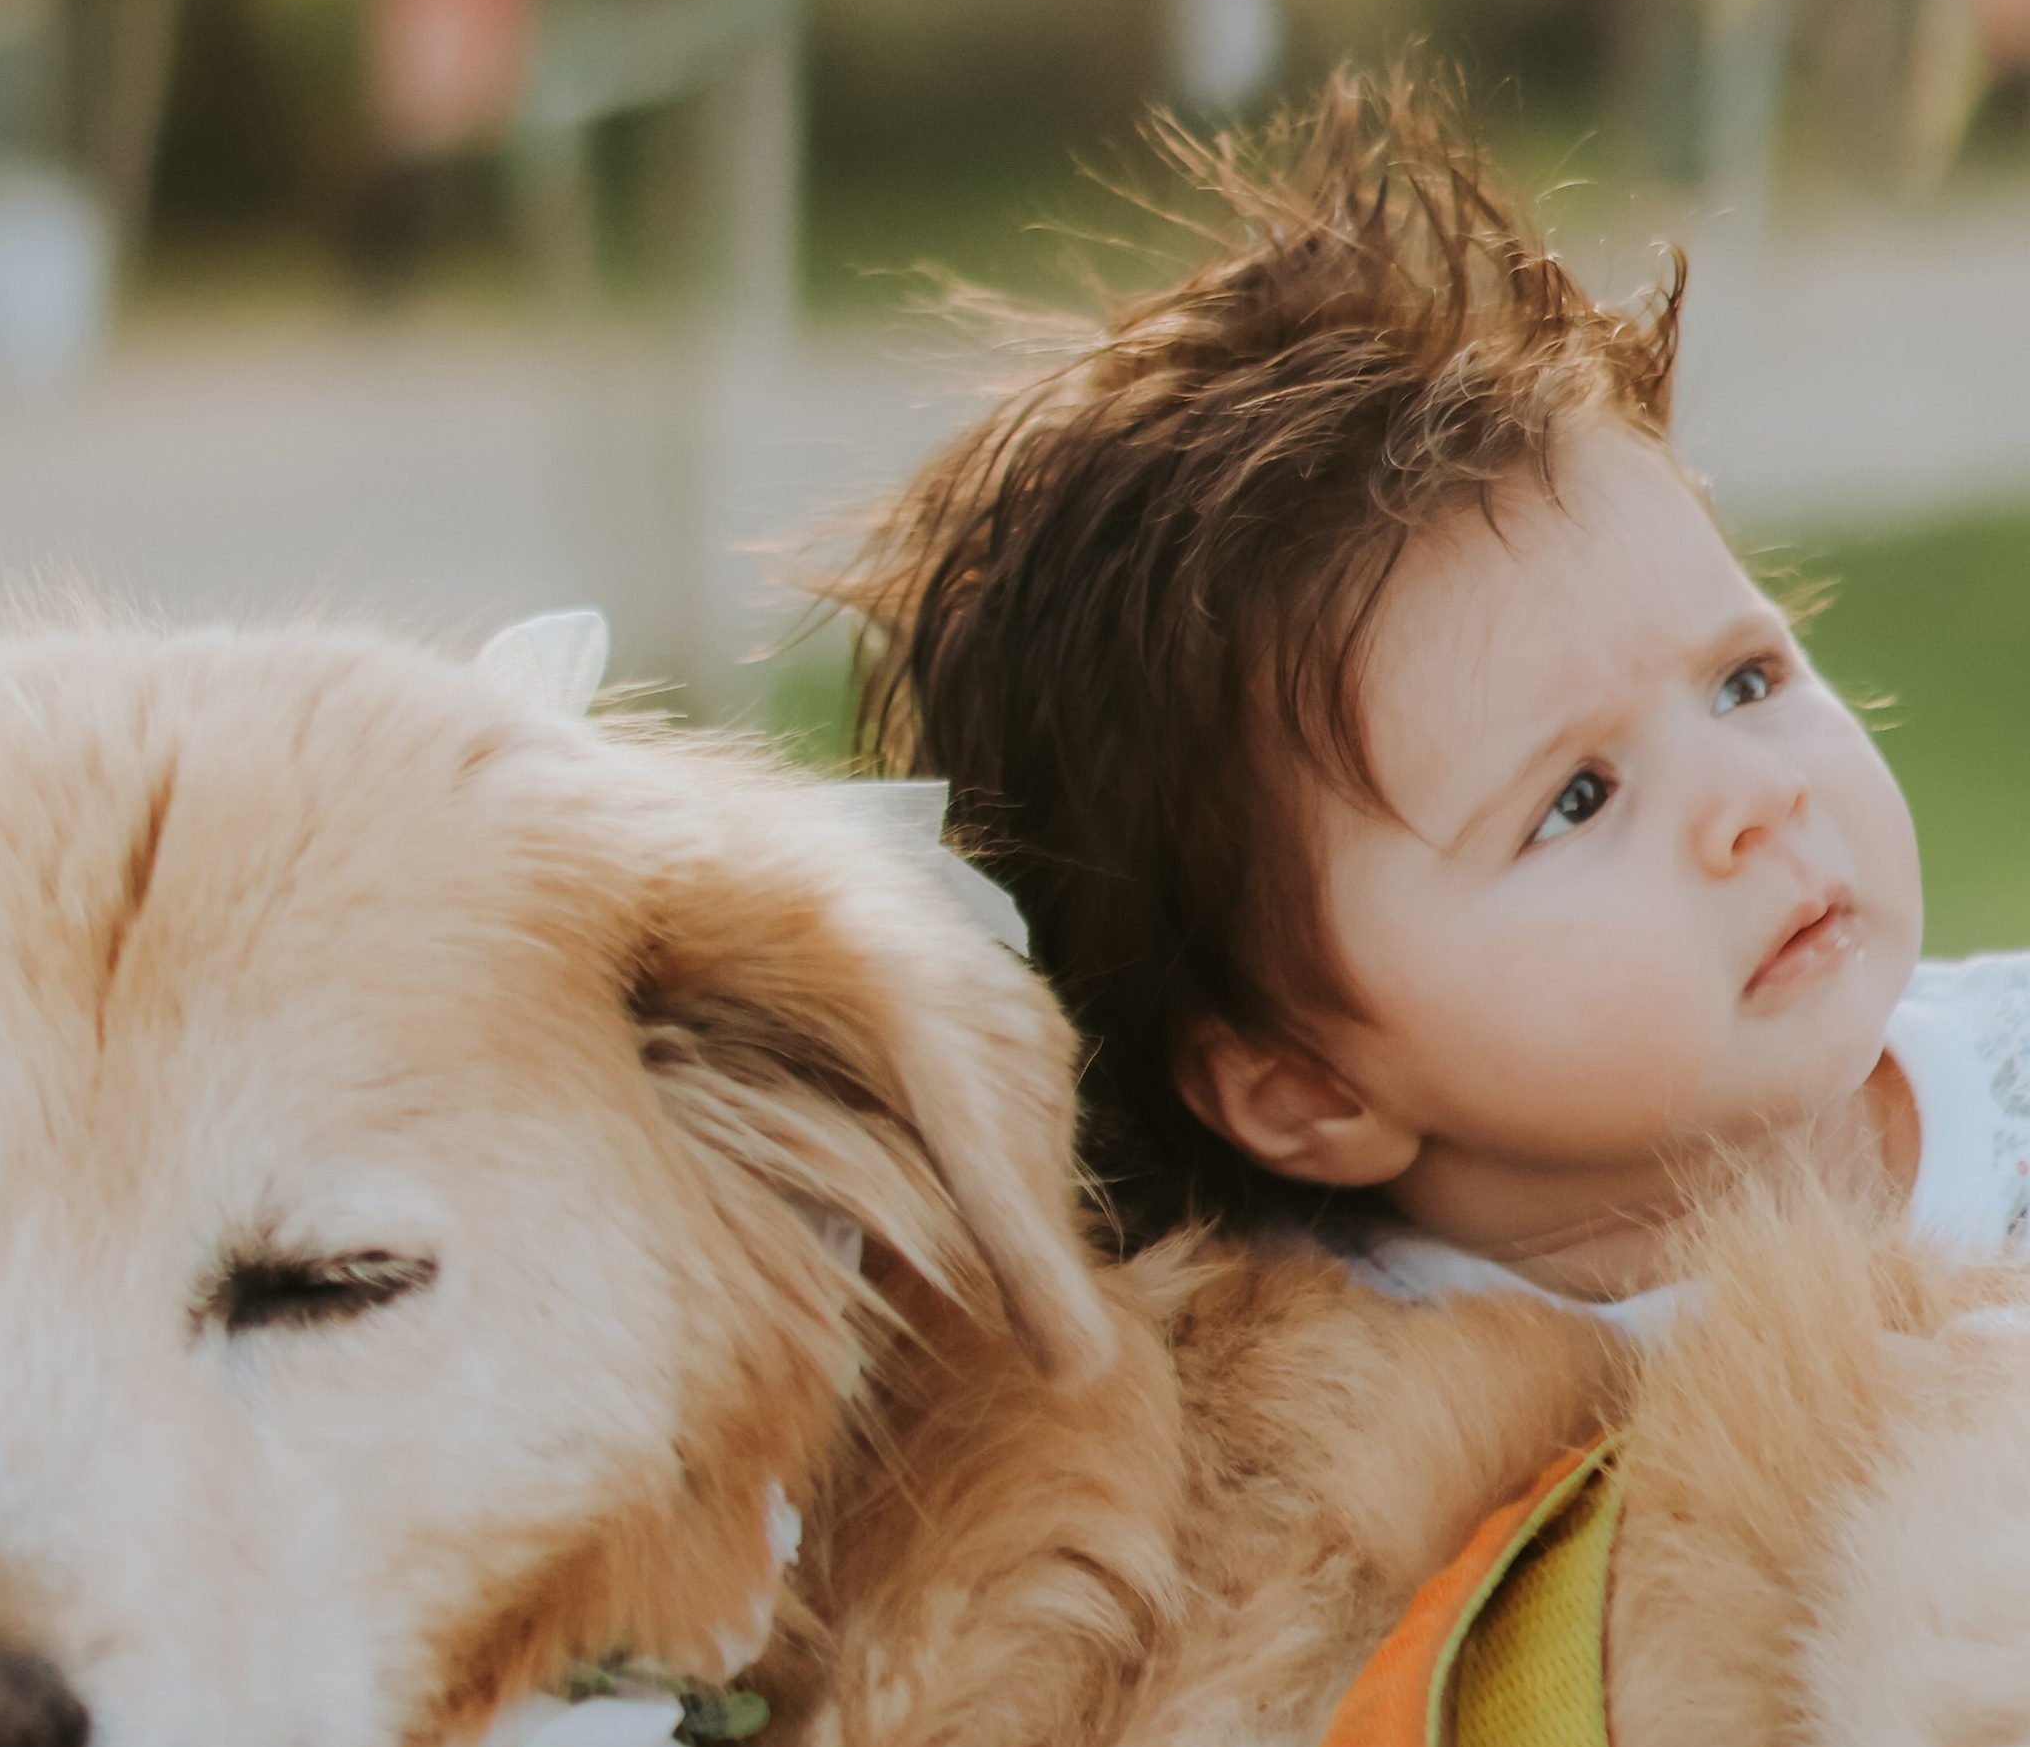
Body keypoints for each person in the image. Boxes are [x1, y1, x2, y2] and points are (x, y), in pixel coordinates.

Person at [827, 72, 2030, 1325]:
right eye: (1575, 798)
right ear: (1303, 1090)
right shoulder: (1303, 1407)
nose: (1755, 794)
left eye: (1744, 678)